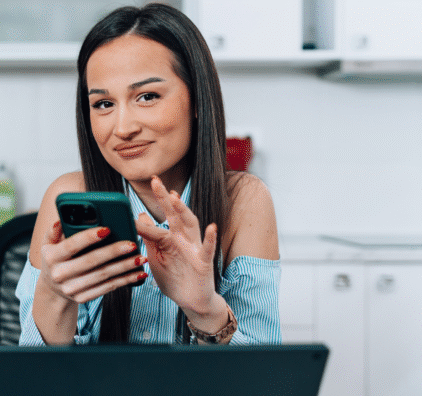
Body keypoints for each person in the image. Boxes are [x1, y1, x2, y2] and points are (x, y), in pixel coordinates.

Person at [15, 3, 280, 346]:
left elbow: (260, 388)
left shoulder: (244, 200)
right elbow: (35, 388)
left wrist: (205, 310)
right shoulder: (67, 194)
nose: (122, 128)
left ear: (197, 100)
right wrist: (54, 296)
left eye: (147, 96)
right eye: (103, 104)